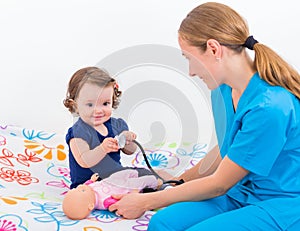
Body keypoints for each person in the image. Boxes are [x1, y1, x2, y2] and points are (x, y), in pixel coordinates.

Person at [108, 2, 300, 230]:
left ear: (213, 49)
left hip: (280, 203)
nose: (190, 71)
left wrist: (146, 201)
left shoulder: (270, 107)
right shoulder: (222, 89)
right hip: (241, 192)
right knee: (162, 223)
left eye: (189, 58)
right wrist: (175, 182)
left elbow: (219, 184)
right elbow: (230, 150)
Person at [63, 66, 157, 189]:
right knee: (91, 193)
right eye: (90, 104)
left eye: (105, 103)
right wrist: (103, 148)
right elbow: (84, 161)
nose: (98, 110)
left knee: (149, 175)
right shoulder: (78, 132)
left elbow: (130, 151)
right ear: (74, 105)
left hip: (117, 175)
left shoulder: (116, 125)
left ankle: (164, 187)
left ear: (113, 101)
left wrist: (127, 139)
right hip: (90, 184)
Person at [62, 169, 162, 220]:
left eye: (76, 188)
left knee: (126, 173)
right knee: (141, 182)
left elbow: (87, 184)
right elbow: (117, 202)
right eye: (81, 191)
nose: (80, 187)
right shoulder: (103, 202)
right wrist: (133, 194)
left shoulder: (88, 189)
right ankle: (155, 183)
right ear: (91, 206)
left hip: (112, 180)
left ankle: (133, 174)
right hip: (124, 188)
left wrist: (91, 180)